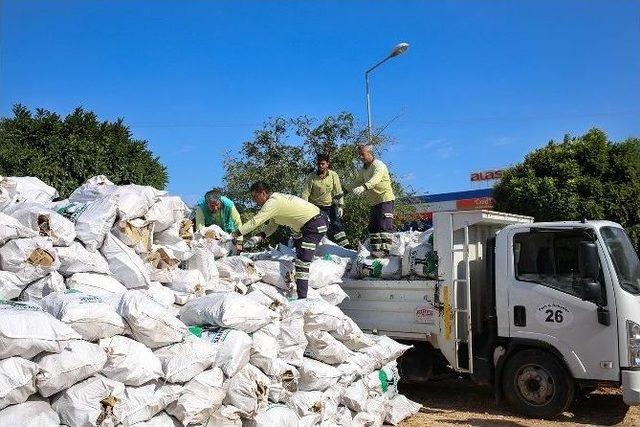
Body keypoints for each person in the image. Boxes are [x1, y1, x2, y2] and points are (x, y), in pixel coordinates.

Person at [232, 181, 327, 299]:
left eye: (255, 196)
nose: (254, 200)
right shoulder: (275, 202)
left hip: (314, 224)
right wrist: (259, 237)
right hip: (308, 226)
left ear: (263, 193)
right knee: (299, 257)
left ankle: (303, 299)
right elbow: (272, 226)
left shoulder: (272, 202)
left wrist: (235, 234)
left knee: (302, 262)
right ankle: (299, 290)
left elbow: (255, 221)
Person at [348, 144, 396, 257]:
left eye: (362, 154)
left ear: (370, 153)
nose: (360, 157)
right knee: (373, 227)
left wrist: (363, 188)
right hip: (374, 202)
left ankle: (385, 251)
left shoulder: (379, 165)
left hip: (385, 199)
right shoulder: (364, 169)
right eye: (359, 155)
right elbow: (357, 181)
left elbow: (375, 180)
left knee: (384, 225)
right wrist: (344, 191)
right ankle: (376, 251)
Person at [301, 154, 349, 247]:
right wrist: (304, 207)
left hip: (329, 206)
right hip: (315, 207)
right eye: (319, 164)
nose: (320, 166)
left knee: (336, 225)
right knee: (317, 227)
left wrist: (340, 206)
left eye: (323, 164)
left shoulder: (333, 175)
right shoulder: (312, 176)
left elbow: (338, 191)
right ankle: (312, 247)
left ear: (327, 164)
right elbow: (305, 193)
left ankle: (345, 247)